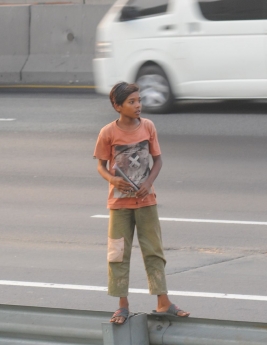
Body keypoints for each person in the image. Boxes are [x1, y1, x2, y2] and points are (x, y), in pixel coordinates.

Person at [93, 82, 190, 324]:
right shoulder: (108, 132)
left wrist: (149, 182)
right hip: (119, 204)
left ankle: (163, 301)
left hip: (147, 201)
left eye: (139, 101)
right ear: (118, 106)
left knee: (153, 251)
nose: (138, 106)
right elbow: (100, 166)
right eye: (132, 102)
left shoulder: (148, 126)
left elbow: (157, 161)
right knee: (118, 253)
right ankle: (122, 305)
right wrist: (113, 179)